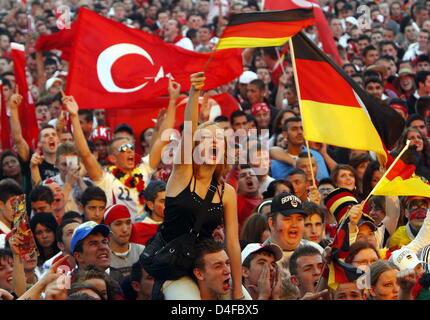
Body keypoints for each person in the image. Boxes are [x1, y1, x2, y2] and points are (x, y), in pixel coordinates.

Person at [156, 72, 243, 300]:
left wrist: (237, 291)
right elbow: (188, 128)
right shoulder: (182, 174)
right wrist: (194, 93)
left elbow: (232, 244)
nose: (213, 142)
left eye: (218, 139)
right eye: (205, 138)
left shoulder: (227, 192)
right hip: (176, 268)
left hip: (209, 267)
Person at [62, 80, 180, 220]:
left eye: (131, 147)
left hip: (144, 232)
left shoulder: (144, 170)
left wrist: (173, 101)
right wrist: (74, 117)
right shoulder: (105, 178)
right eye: (124, 149)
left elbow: (163, 139)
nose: (130, 151)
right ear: (113, 158)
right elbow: (85, 154)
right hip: (116, 234)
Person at [264, 193, 323, 272]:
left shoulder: (316, 250)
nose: (294, 225)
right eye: (287, 219)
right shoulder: (259, 257)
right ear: (272, 223)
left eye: (299, 219)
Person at [103, 204, 145, 276]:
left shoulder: (142, 251)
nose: (125, 229)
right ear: (108, 228)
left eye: (128, 223)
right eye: (118, 224)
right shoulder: (103, 255)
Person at [132, 180, 166, 245]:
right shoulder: (137, 229)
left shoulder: (175, 224)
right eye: (162, 201)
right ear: (150, 205)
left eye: (169, 200)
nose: (168, 204)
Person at [0, 180, 23, 248]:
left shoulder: (21, 230)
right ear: (1, 204)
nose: (17, 210)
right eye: (13, 204)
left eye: (20, 204)